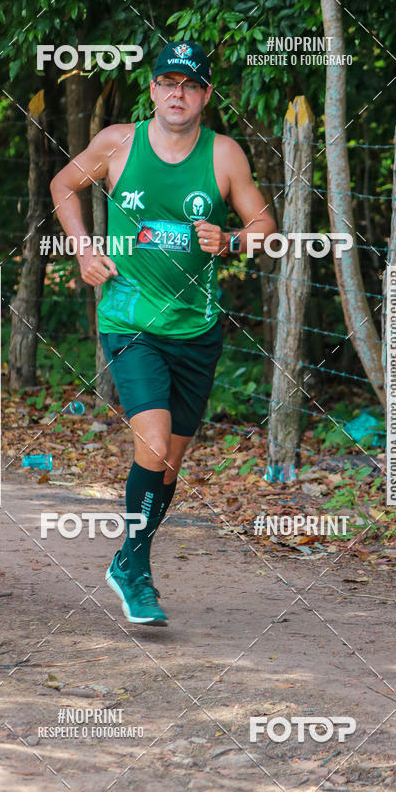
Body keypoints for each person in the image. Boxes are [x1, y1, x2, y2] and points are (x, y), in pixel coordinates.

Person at [51, 41, 275, 625]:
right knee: (151, 444)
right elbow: (63, 185)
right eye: (168, 83)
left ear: (205, 95)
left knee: (170, 463)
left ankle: (129, 558)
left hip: (196, 327)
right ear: (152, 89)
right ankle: (137, 571)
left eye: (190, 85)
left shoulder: (224, 155)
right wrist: (84, 248)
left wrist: (231, 240)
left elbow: (264, 226)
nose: (178, 94)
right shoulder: (118, 143)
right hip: (130, 320)